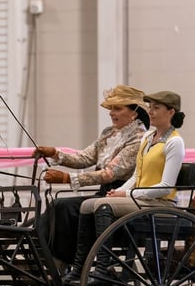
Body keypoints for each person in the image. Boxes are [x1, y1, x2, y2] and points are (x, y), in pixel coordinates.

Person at [62, 90, 187, 286]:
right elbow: (137, 175)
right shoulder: (148, 138)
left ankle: (104, 268)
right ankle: (79, 268)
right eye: (150, 107)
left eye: (157, 108)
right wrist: (120, 192)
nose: (151, 112)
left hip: (160, 203)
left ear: (171, 112)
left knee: (104, 206)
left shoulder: (174, 142)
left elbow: (165, 187)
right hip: (139, 198)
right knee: (87, 205)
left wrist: (127, 193)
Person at [33, 85, 150, 267]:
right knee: (56, 208)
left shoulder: (139, 139)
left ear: (134, 112)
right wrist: (55, 153)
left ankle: (59, 261)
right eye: (110, 108)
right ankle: (41, 252)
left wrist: (68, 179)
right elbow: (85, 157)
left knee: (62, 206)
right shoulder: (108, 133)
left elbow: (110, 174)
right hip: (103, 194)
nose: (111, 113)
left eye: (117, 108)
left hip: (119, 196)